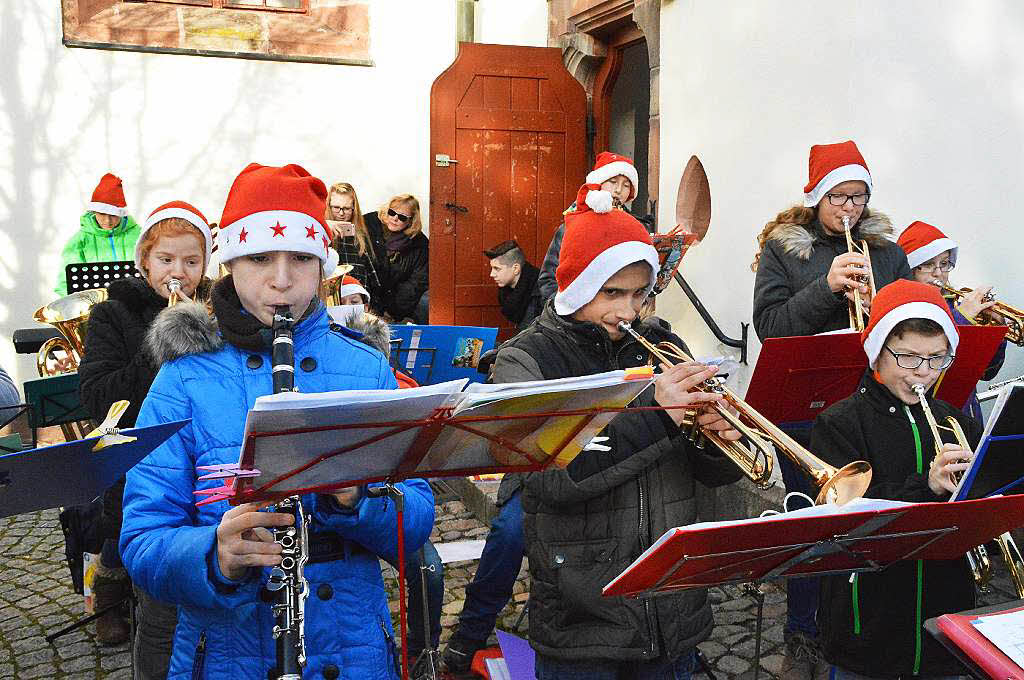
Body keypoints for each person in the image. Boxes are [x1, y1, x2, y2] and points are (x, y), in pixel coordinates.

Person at [119, 163, 435, 680]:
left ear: (323, 267)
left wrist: (359, 500)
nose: (282, 280)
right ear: (230, 263)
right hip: (226, 651)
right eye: (261, 257)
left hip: (350, 647)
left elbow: (418, 516)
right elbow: (143, 539)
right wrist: (215, 554)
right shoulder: (183, 379)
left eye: (302, 260)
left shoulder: (366, 368)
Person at [490, 183, 743, 679]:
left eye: (638, 295)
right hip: (583, 617)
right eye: (611, 294)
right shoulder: (526, 359)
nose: (628, 312)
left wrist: (716, 441)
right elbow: (550, 477)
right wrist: (655, 415)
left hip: (671, 608)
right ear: (578, 285)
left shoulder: (662, 343)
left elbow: (709, 475)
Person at [750, 140, 912, 680]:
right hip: (805, 409)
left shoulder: (887, 254)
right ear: (817, 197)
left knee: (871, 516)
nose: (849, 209)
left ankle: (866, 621)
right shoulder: (784, 250)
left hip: (869, 402)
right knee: (810, 519)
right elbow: (770, 327)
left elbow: (904, 324)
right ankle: (803, 631)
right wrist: (826, 287)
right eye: (839, 196)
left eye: (859, 198)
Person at [810, 279, 979, 679]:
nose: (923, 372)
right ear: (877, 353)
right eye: (908, 357)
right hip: (867, 624)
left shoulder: (955, 420)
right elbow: (839, 522)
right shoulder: (839, 423)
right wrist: (928, 486)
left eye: (937, 358)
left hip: (944, 621)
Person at [78, 201, 213, 656]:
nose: (179, 271)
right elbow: (100, 397)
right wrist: (162, 342)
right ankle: (111, 599)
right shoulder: (112, 314)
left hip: (197, 445)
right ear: (144, 262)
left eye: (192, 261)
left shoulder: (213, 310)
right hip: (137, 448)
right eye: (166, 260)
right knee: (123, 532)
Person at [898, 220, 1007, 421]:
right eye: (928, 264)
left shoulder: (953, 304)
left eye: (944, 263)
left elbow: (986, 373)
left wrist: (995, 332)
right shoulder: (902, 311)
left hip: (967, 415)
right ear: (910, 268)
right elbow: (932, 361)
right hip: (925, 415)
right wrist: (962, 319)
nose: (938, 273)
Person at [537, 151, 638, 301]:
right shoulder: (570, 227)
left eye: (626, 185)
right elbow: (547, 280)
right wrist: (568, 310)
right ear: (598, 184)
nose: (618, 190)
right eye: (612, 182)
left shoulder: (634, 229)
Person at [56, 173, 141, 296]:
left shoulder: (140, 236)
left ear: (121, 213)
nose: (108, 221)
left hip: (135, 305)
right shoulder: (79, 241)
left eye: (113, 215)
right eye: (102, 214)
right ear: (94, 211)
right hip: (95, 309)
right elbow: (65, 284)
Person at [364, 194, 429, 323]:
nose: (394, 219)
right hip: (367, 299)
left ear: (411, 221)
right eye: (392, 212)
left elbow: (416, 283)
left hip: (396, 305)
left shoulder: (419, 244)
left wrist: (392, 312)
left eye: (402, 217)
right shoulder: (369, 224)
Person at [326, 182, 380, 289]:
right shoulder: (318, 231)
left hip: (358, 295)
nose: (341, 213)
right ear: (328, 206)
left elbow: (370, 276)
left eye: (346, 208)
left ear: (354, 209)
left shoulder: (362, 234)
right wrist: (324, 226)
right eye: (336, 208)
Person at [483, 239, 542, 331]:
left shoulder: (541, 292)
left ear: (515, 268)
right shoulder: (507, 292)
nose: (492, 274)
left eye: (497, 268)